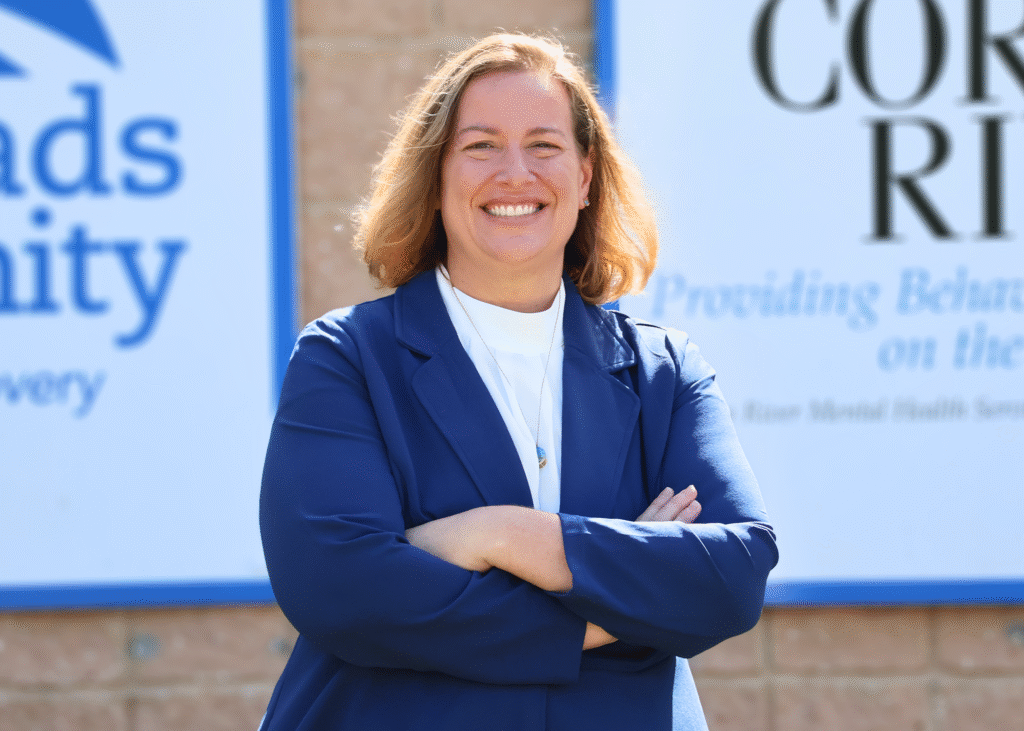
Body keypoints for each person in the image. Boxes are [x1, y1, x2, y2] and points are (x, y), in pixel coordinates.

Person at [258, 33, 777, 731]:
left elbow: (731, 575)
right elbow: (340, 586)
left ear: (586, 176)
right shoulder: (347, 359)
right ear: (436, 176)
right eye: (480, 146)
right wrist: (617, 594)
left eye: (544, 145)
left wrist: (498, 535)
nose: (515, 173)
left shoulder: (665, 372)